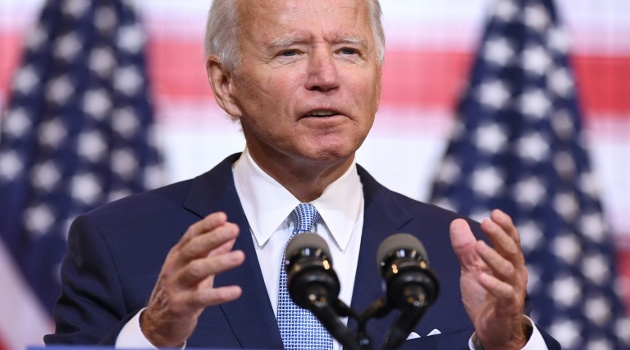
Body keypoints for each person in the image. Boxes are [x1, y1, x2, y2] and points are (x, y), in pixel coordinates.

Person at [45, 0, 560, 349]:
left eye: (348, 51)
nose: (326, 78)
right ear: (226, 85)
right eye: (290, 51)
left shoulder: (460, 254)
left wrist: (508, 343)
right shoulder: (120, 242)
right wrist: (154, 335)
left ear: (378, 76)